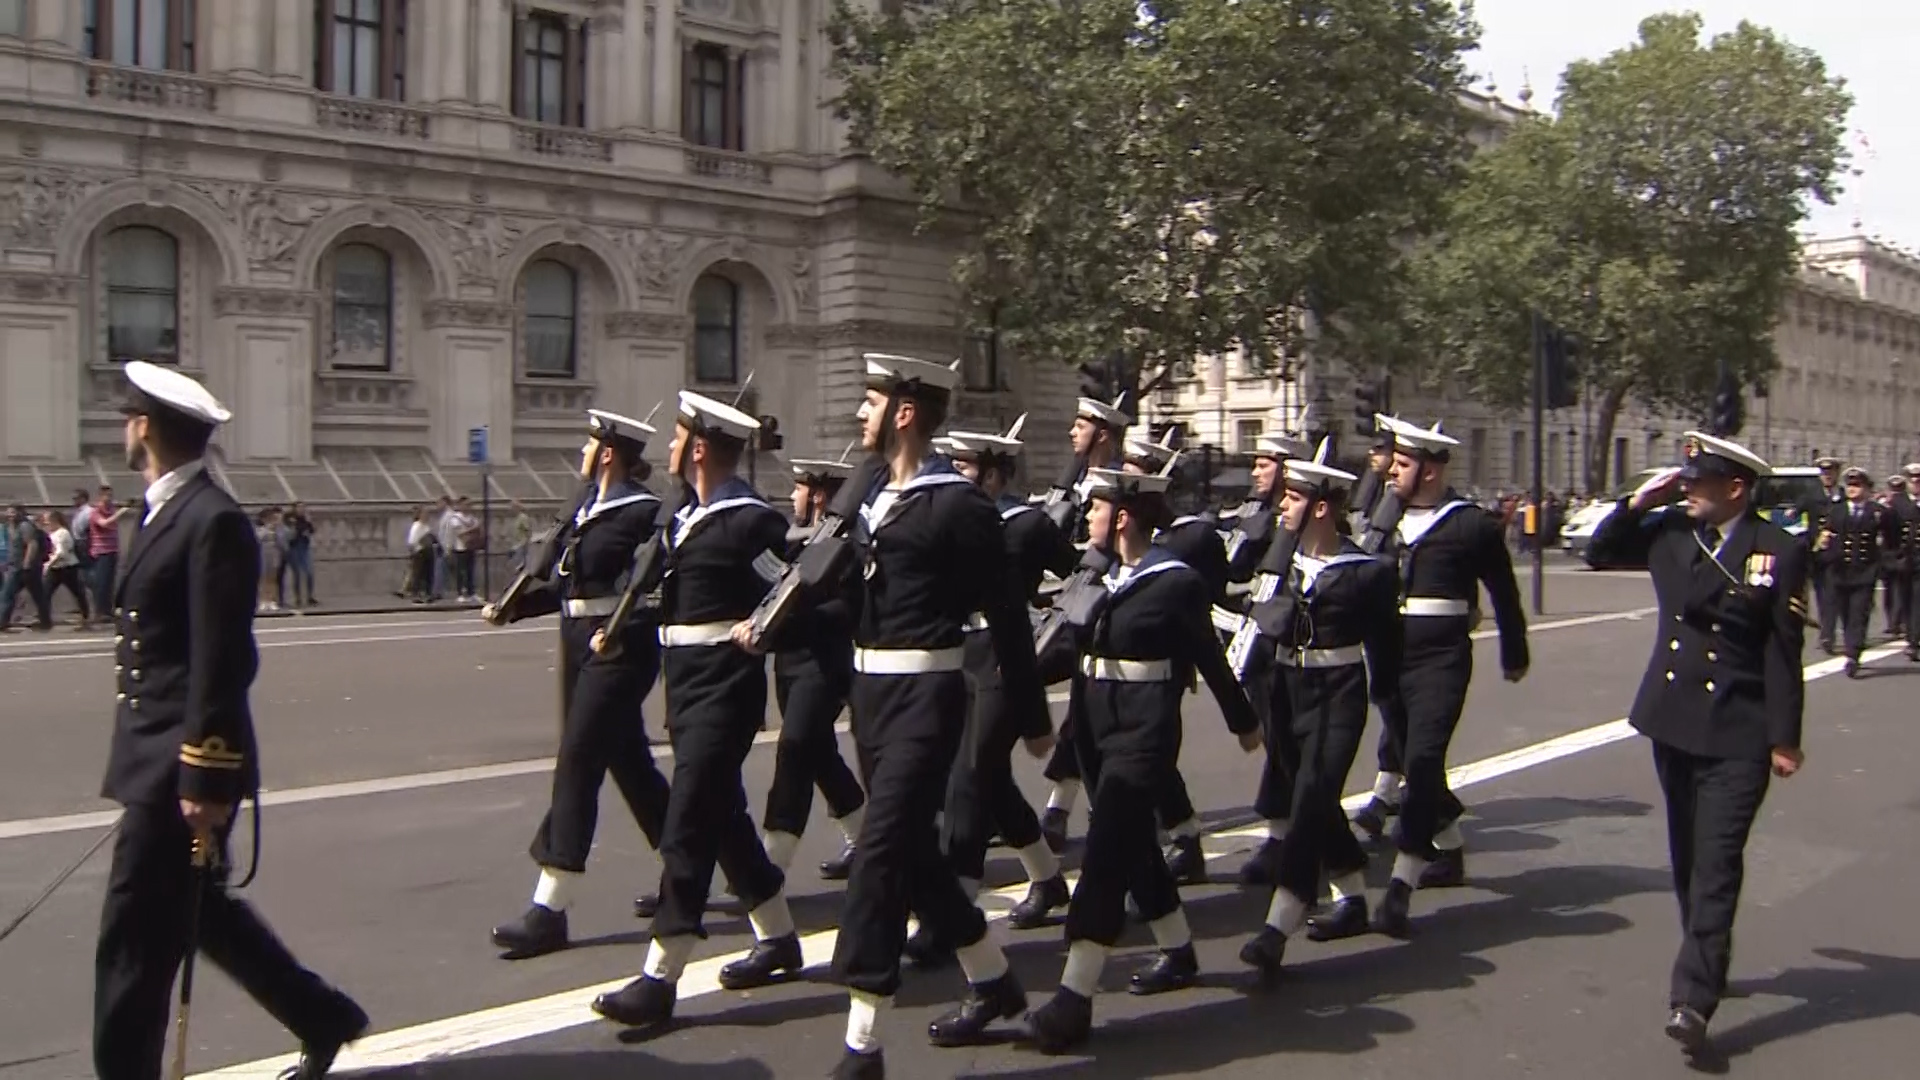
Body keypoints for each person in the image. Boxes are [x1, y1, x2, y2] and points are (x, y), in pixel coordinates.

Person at [778, 353, 1050, 1079]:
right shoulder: (869, 501)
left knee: (879, 853)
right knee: (917, 861)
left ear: (903, 413)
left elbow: (1008, 618)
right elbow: (850, 603)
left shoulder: (959, 506)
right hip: (869, 699)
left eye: (869, 404)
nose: (859, 417)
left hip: (928, 700)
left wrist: (1030, 713)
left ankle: (862, 1047)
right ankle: (994, 982)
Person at [94, 361, 366, 1080]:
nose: (125, 428)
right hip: (153, 759)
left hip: (180, 771)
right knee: (199, 917)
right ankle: (322, 1016)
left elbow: (221, 662)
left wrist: (204, 779)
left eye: (129, 418)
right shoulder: (163, 511)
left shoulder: (211, 522)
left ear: (145, 427)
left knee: (133, 936)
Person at [1023, 466, 1260, 1053]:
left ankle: (1073, 997)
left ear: (1122, 517)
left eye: (1096, 510)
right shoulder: (1098, 576)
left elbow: (1209, 656)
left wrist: (1244, 721)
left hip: (1145, 729)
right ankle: (1178, 949)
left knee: (1105, 850)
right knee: (1133, 846)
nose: (1087, 520)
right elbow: (1067, 653)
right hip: (1098, 728)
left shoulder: (1174, 583)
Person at [1584, 432, 1808, 1054]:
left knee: (1716, 861)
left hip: (1739, 728)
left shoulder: (1777, 550)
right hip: (1675, 720)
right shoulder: (1671, 533)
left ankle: (1693, 997)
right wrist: (1636, 502)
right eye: (1683, 479)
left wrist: (1785, 738)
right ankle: (1707, 947)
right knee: (1687, 854)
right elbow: (1601, 552)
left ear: (1735, 488)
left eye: (1697, 480)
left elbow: (1783, 653)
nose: (1686, 488)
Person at [591, 392, 800, 1028]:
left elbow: (790, 597)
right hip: (685, 690)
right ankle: (779, 935)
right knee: (725, 816)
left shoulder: (750, 522)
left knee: (686, 825)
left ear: (700, 448)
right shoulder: (685, 516)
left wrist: (761, 627)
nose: (670, 450)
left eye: (678, 438)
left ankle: (661, 974)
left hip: (725, 694)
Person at [1322, 415, 1527, 940]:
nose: (1391, 470)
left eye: (1404, 464)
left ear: (1431, 472)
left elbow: (1503, 592)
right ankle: (1452, 854)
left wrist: (1514, 651)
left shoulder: (1470, 525)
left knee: (1422, 762)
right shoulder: (1382, 525)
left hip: (1441, 660)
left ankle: (1400, 888)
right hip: (1390, 657)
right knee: (1421, 766)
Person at [483, 409, 673, 959]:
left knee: (579, 760)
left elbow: (656, 591)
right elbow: (569, 587)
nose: (583, 452)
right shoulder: (585, 509)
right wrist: (513, 609)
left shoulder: (644, 515)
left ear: (609, 452)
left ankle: (550, 905)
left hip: (618, 650)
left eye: (590, 443)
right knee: (628, 763)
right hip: (578, 644)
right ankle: (686, 862)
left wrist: (623, 632)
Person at [1238, 444, 1402, 969]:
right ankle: (1352, 898)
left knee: (1310, 799)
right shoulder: (1277, 561)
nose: (1283, 506)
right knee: (1314, 799)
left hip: (1338, 695)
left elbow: (1387, 651)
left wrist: (1399, 721)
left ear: (1321, 507)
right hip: (1285, 693)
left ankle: (1278, 923)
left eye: (1293, 497)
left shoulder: (1365, 572)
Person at [935, 421, 1077, 936]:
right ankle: (1047, 878)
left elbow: (1079, 577)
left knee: (972, 771)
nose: (955, 474)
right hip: (959, 652)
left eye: (965, 467)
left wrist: (1043, 626)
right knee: (986, 775)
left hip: (1005, 653)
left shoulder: (1028, 525)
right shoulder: (952, 518)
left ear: (994, 475)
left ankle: (959, 903)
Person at [1114, 432, 1224, 885]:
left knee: (1149, 760)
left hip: (1163, 664)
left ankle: (1167, 852)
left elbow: (1206, 600)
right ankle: (1180, 837)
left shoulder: (1190, 537)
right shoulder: (1122, 533)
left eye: (1132, 472)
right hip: (1116, 665)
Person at [759, 456, 868, 881]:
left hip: (824, 666)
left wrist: (799, 617)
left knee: (795, 748)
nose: (792, 495)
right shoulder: (796, 539)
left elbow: (848, 609)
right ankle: (862, 838)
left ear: (819, 495)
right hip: (788, 665)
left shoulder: (846, 547)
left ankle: (772, 861)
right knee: (819, 753)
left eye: (799, 488)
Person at [1039, 392, 1133, 851]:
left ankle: (1063, 806)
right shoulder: (1074, 485)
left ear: (1103, 435)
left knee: (1091, 707)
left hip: (1100, 605)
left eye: (1082, 424)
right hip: (1064, 603)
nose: (1072, 431)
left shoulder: (1118, 487)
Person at [1350, 423, 1409, 843]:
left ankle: (1390, 790)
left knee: (1400, 707)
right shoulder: (1370, 494)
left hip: (1404, 615)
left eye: (1383, 450)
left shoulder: (1407, 503)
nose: (1375, 455)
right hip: (1374, 613)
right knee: (1389, 701)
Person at [1814, 466, 1894, 677]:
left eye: (1857, 485)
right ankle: (1849, 644)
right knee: (1845, 613)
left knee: (1859, 614)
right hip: (1839, 571)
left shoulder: (1877, 512)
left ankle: (1853, 654)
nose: (1852, 489)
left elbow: (1890, 537)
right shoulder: (1837, 510)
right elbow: (1825, 536)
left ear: (1867, 489)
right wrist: (1824, 552)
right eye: (1849, 485)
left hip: (1865, 572)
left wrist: (1884, 561)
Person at [1803, 456, 1845, 653]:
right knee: (1820, 593)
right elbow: (1795, 511)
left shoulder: (1844, 495)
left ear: (1837, 474)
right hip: (1817, 553)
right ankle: (1826, 632)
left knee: (1832, 595)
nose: (1827, 477)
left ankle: (1828, 635)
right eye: (1824, 473)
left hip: (1838, 554)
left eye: (1830, 473)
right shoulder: (1811, 495)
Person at [1898, 463, 1920, 661]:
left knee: (1917, 602)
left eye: (1919, 480)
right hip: (1903, 563)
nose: (1916, 483)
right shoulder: (1899, 504)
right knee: (1905, 600)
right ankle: (1910, 634)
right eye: (1912, 480)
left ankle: (1914, 641)